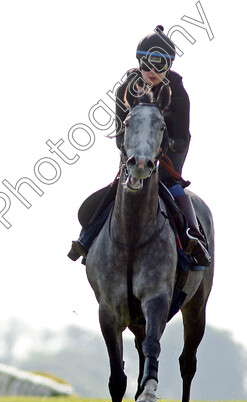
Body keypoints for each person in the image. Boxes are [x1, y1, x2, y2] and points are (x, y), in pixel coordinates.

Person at [68, 26, 211, 267]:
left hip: (168, 152)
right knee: (117, 188)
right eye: (147, 66)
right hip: (133, 152)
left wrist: (162, 148)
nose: (152, 72)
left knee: (171, 185)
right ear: (139, 62)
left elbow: (182, 137)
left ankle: (193, 236)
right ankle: (88, 236)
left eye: (160, 67)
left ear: (169, 67)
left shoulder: (178, 92)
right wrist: (135, 151)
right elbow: (118, 136)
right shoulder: (125, 90)